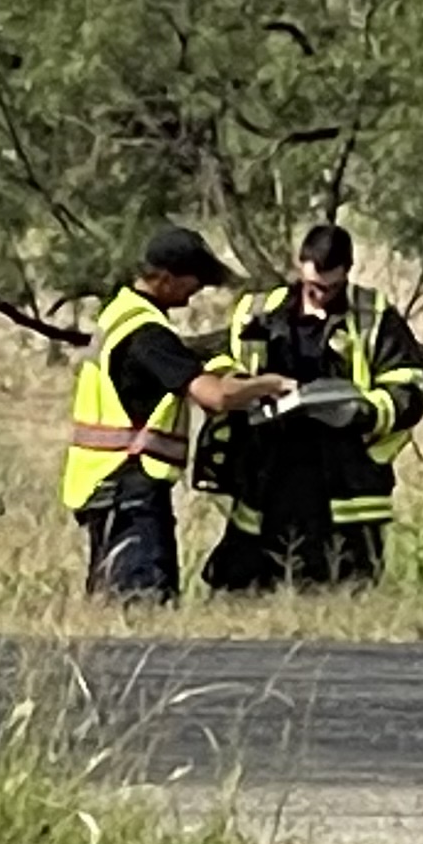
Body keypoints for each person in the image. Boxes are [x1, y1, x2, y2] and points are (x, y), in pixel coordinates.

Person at [61, 226, 299, 603]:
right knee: (143, 605)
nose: (198, 290)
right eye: (194, 281)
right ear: (166, 279)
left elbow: (181, 368)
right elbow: (215, 397)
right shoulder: (147, 334)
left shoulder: (120, 314)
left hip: (106, 484)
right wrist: (269, 384)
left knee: (113, 608)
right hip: (129, 487)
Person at [201, 223, 423, 593]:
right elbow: (223, 364)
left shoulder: (373, 317)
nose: (321, 295)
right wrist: (247, 389)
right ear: (300, 267)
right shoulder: (259, 311)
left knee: (344, 585)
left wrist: (361, 411)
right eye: (313, 287)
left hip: (345, 475)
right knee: (248, 583)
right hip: (269, 467)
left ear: (348, 271)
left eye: (331, 288)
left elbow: (409, 389)